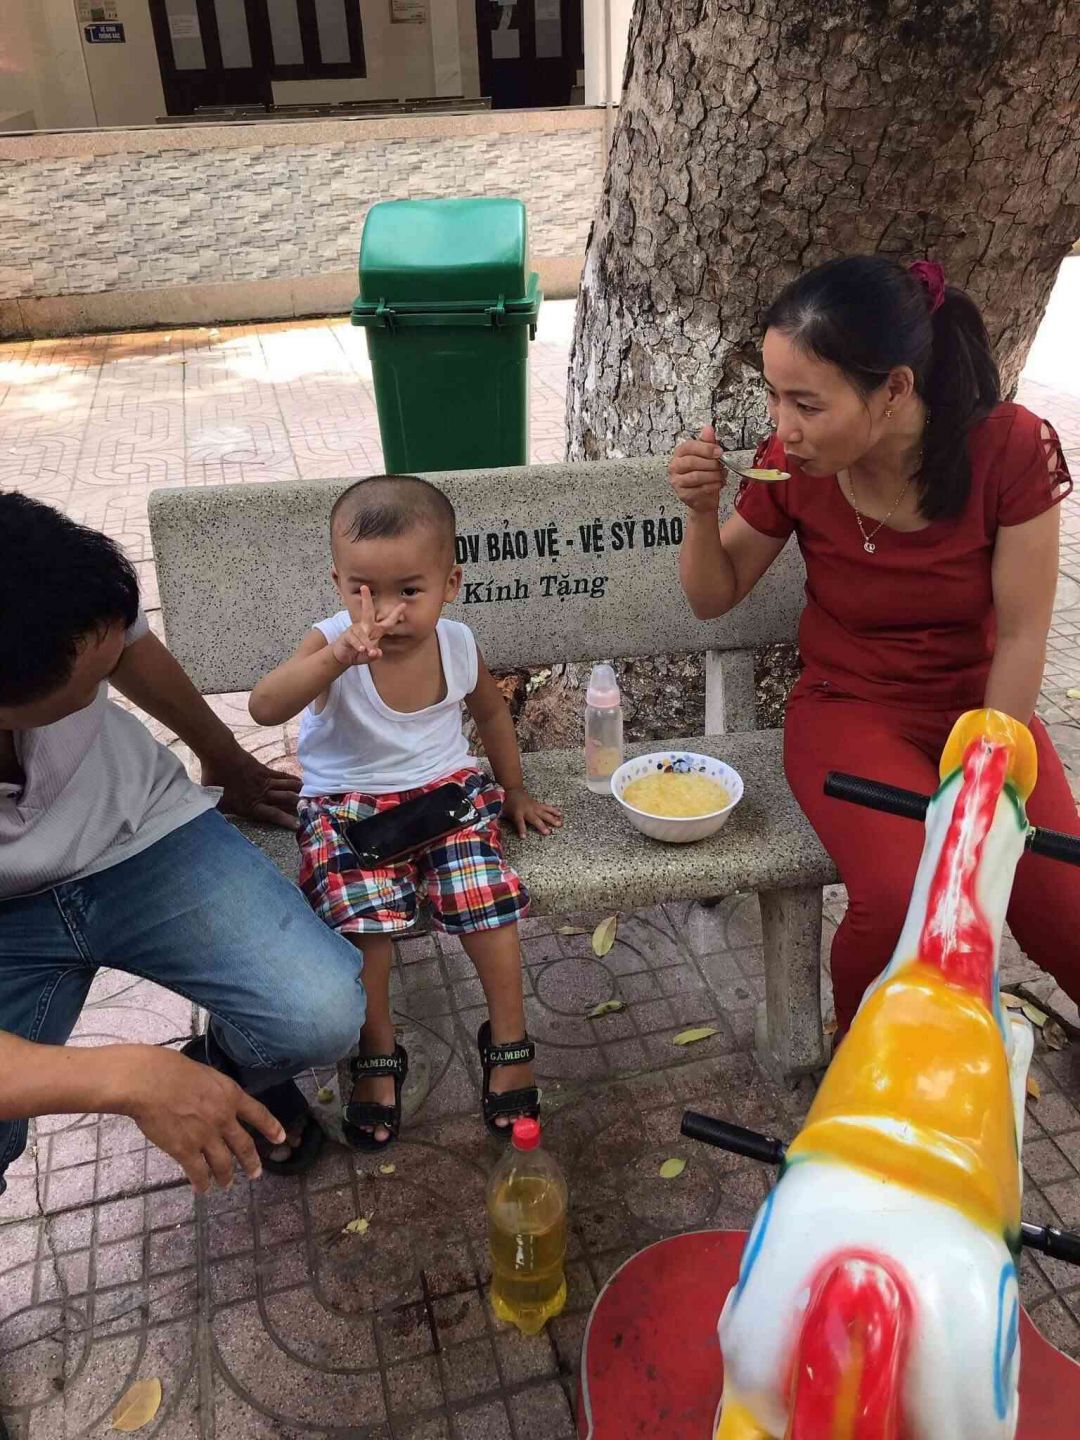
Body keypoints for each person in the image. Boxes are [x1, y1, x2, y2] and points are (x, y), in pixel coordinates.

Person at [668, 254, 1078, 1036]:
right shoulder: (794, 464)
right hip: (849, 709)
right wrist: (699, 511)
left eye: (806, 403)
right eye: (773, 395)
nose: (783, 426)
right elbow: (712, 595)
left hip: (985, 710)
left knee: (1066, 907)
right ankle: (866, 1062)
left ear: (894, 389)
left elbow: (1024, 634)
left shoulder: (1010, 449)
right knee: (899, 900)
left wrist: (986, 777)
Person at [0, 494, 367, 1196]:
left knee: (320, 1016)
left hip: (139, 831)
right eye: (95, 683)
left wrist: (226, 759)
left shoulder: (44, 588)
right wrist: (128, 1077)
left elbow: (129, 645)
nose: (112, 675)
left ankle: (225, 1064)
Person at [251, 474, 562, 1148]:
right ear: (339, 585)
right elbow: (264, 706)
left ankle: (509, 1040)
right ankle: (377, 1047)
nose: (386, 614)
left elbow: (491, 714)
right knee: (363, 920)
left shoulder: (457, 644)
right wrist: (335, 658)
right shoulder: (332, 643)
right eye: (364, 591)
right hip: (348, 806)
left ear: (450, 584)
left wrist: (513, 790)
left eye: (409, 592)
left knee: (487, 900)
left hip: (444, 798)